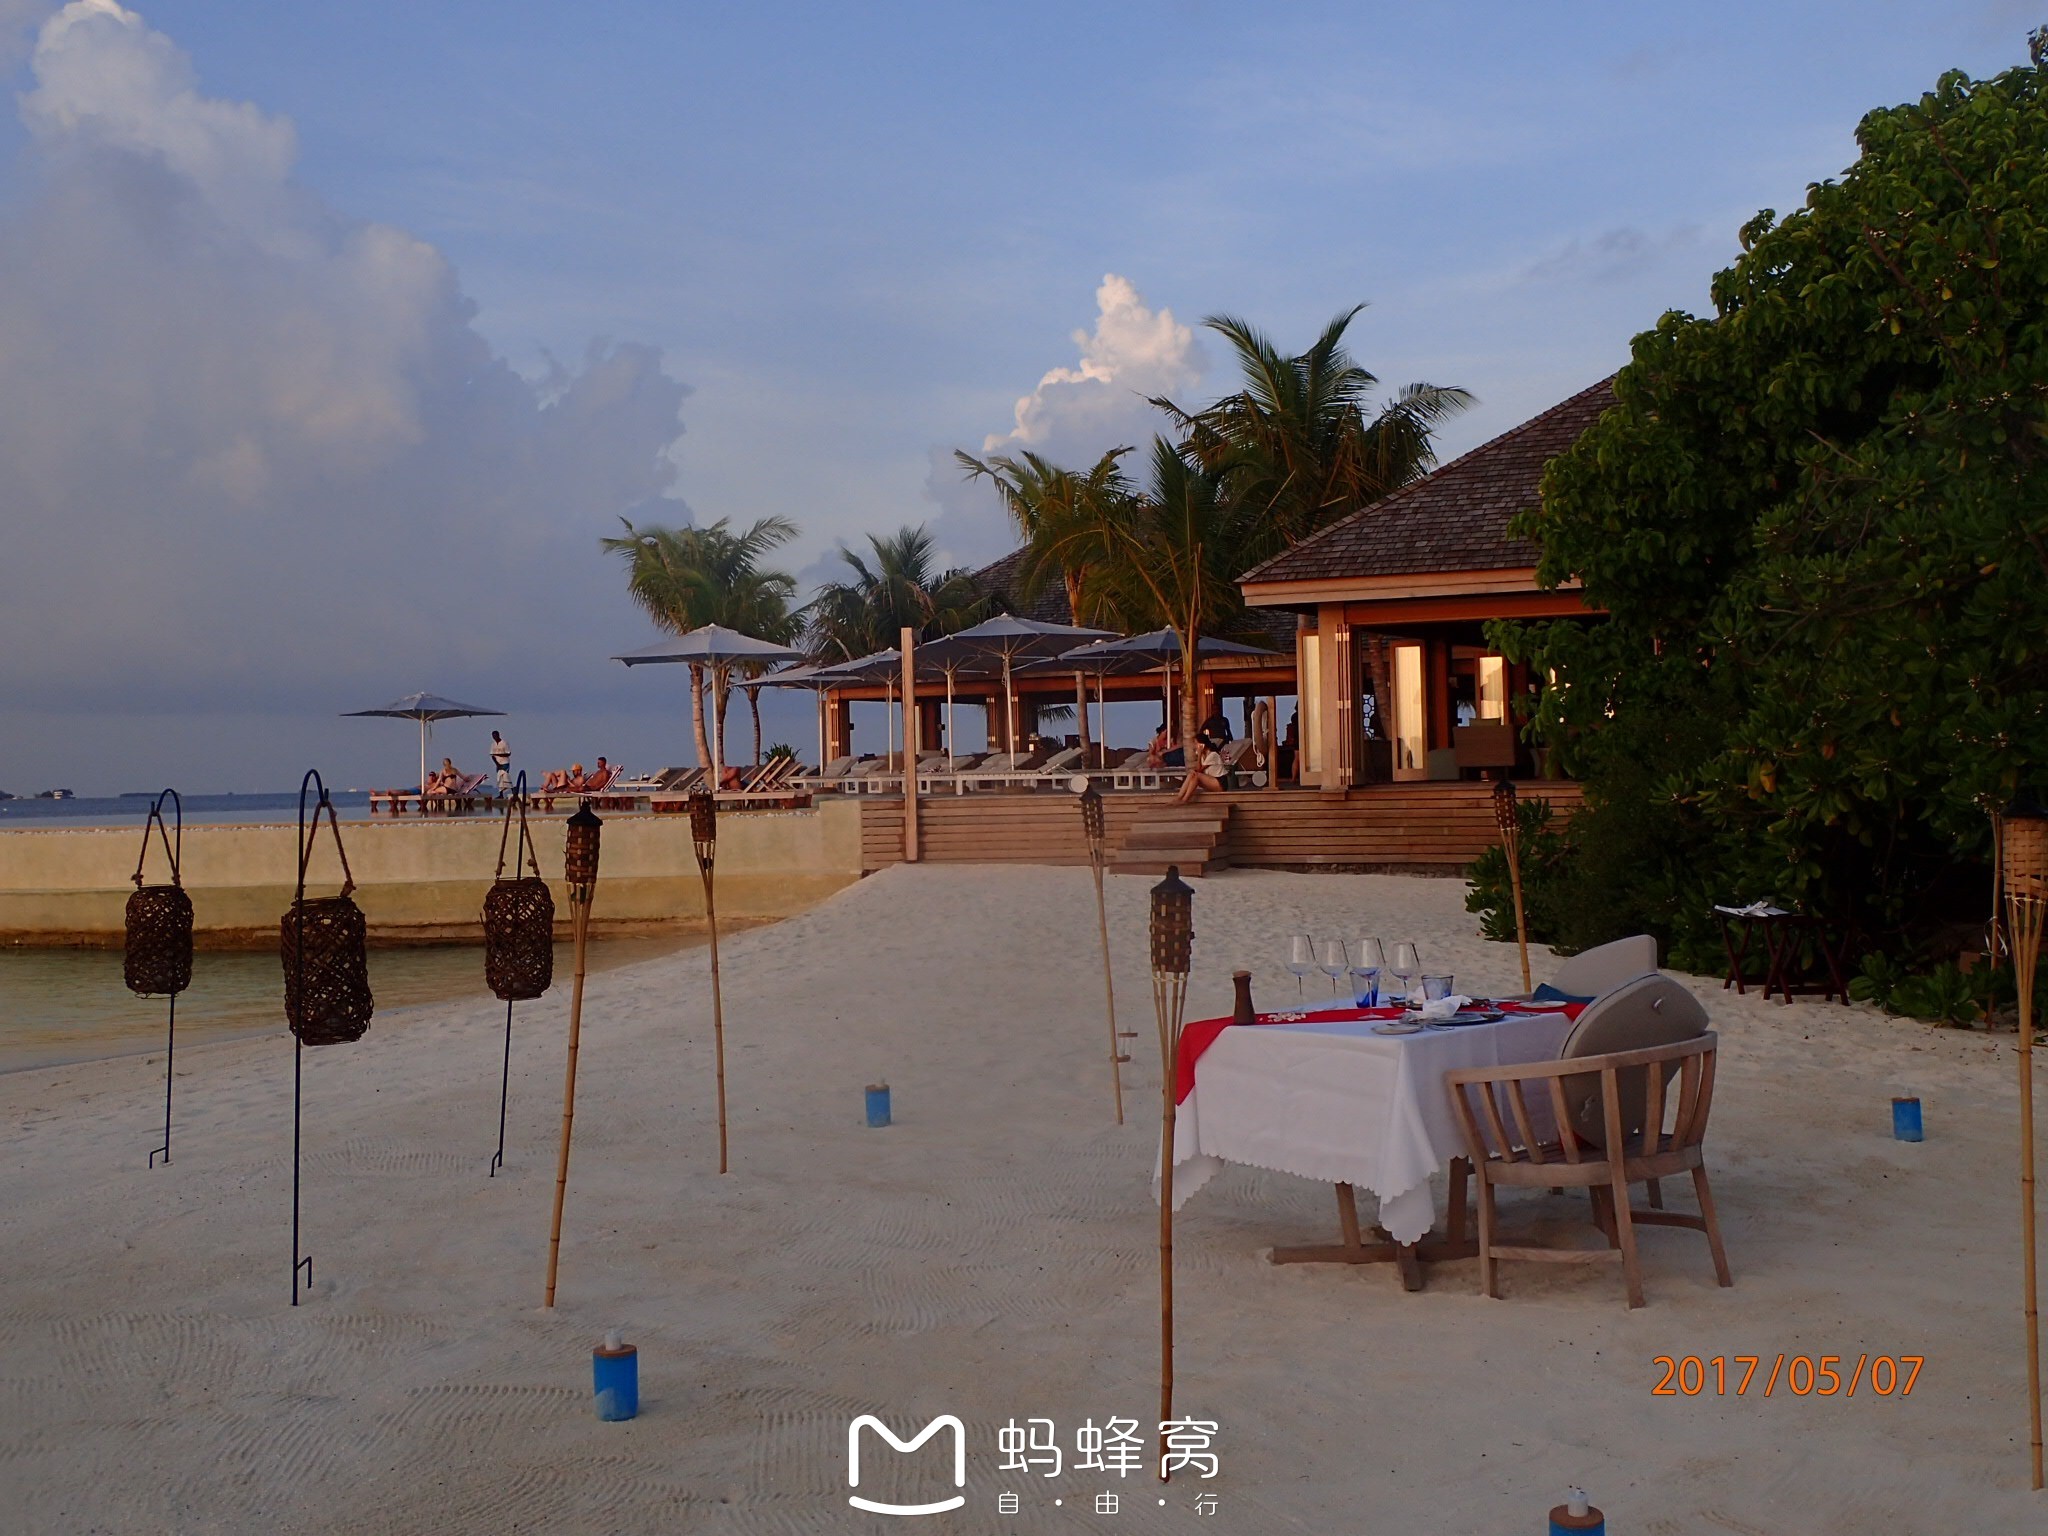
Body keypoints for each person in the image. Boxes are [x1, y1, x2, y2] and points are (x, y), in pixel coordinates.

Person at [1174, 735, 1226, 803]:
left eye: (1196, 743)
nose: (1195, 746)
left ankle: (1185, 799)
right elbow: (1197, 769)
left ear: (1202, 745)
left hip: (1219, 783)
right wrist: (1200, 756)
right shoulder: (1203, 756)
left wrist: (1199, 754)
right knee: (1191, 775)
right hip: (1210, 781)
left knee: (1197, 775)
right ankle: (1179, 797)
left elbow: (1199, 770)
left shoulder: (1213, 755)